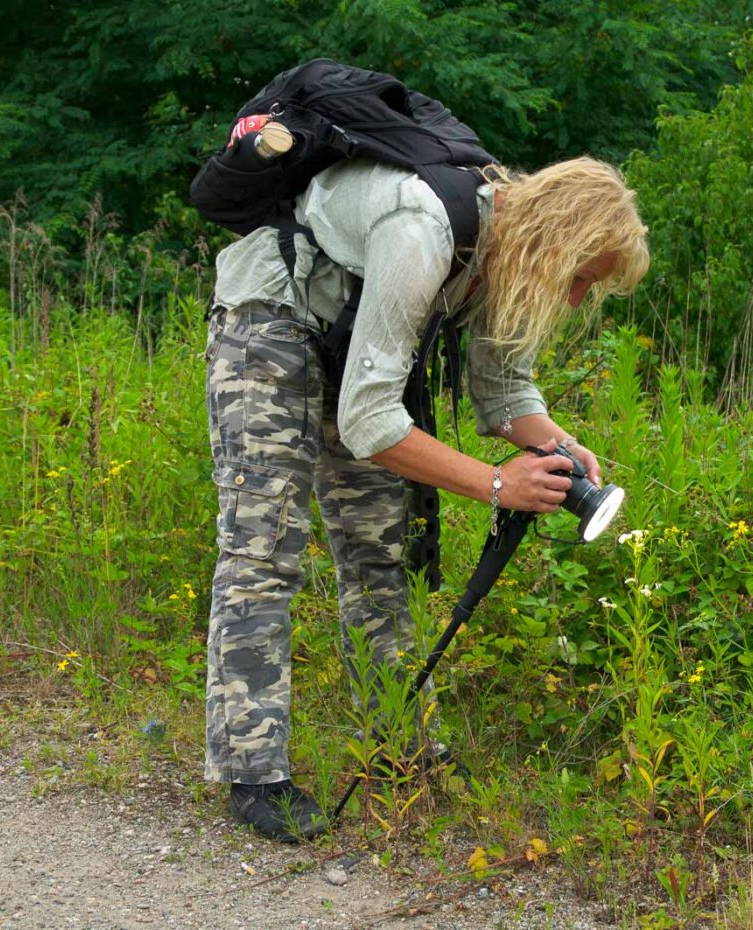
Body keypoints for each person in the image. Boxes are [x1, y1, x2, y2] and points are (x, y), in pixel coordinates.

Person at [203, 154, 649, 841]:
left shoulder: (507, 257)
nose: (576, 301)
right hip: (270, 322)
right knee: (265, 547)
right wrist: (498, 485)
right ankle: (255, 772)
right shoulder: (424, 230)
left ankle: (404, 752)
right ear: (553, 244)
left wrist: (560, 445)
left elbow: (502, 392)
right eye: (582, 279)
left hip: (353, 347)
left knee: (381, 553)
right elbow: (368, 423)